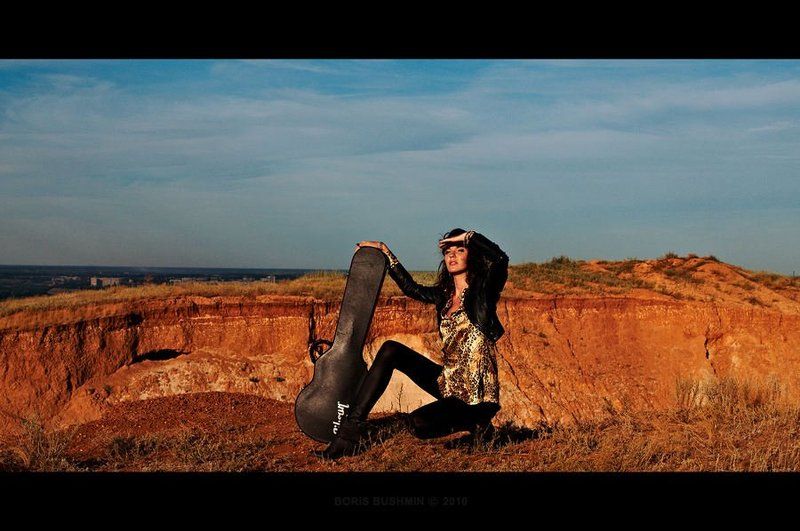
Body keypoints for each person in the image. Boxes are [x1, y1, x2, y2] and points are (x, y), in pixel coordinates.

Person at [312, 228, 509, 460]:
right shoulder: (443, 297)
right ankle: (349, 434)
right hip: (447, 384)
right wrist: (386, 253)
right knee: (391, 350)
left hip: (476, 397)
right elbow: (411, 288)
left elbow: (500, 259)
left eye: (460, 250)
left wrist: (468, 237)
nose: (452, 256)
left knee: (418, 425)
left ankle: (479, 424)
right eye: (447, 251)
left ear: (472, 255)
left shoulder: (483, 293)